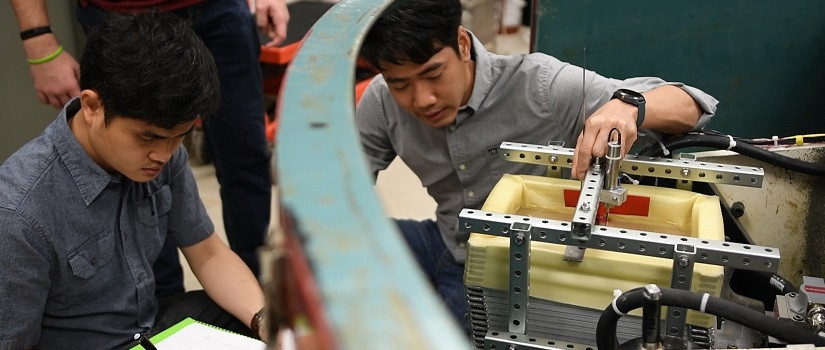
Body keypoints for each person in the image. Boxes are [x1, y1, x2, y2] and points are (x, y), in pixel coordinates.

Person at [356, 0, 719, 331]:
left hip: (505, 270)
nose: (422, 99)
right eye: (400, 83)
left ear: (462, 44)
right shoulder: (381, 101)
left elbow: (693, 105)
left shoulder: (540, 88)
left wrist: (627, 106)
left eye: (434, 74)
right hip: (445, 237)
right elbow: (342, 185)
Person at [0, 11, 268, 349]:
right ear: (92, 106)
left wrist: (263, 319)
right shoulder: (19, 213)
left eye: (179, 137)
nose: (165, 154)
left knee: (261, 322)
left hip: (148, 327)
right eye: (148, 138)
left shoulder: (163, 153)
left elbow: (208, 253)